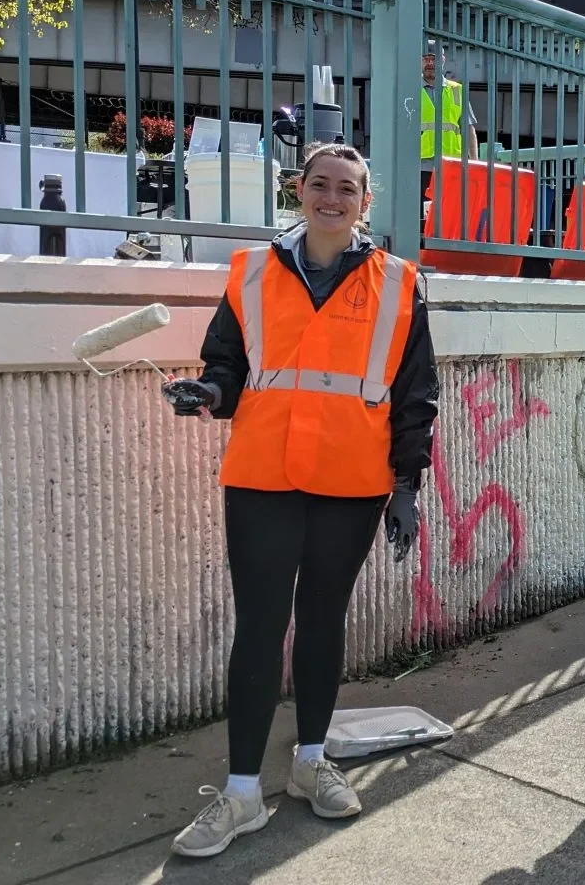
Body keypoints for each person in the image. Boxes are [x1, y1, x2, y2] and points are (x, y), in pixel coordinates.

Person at [160, 142, 439, 857]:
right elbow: (227, 363)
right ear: (298, 190)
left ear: (365, 202)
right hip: (262, 476)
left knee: (322, 620)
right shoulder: (253, 272)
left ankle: (312, 763)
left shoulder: (401, 283)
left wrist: (407, 485)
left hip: (351, 482)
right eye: (320, 184)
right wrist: (210, 393)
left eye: (348, 188)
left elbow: (415, 397)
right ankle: (243, 793)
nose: (332, 198)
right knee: (259, 626)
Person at [420, 49, 479, 201]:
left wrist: (474, 162)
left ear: (443, 60)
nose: (430, 63)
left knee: (449, 214)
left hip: (452, 166)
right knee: (423, 217)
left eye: (434, 59)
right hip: (420, 167)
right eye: (426, 59)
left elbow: (468, 128)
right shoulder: (410, 90)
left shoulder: (457, 90)